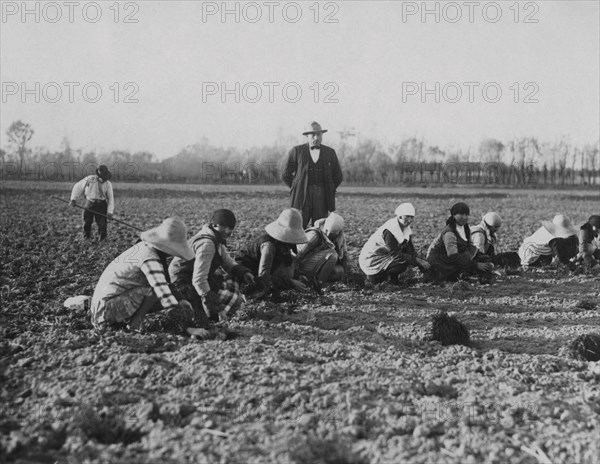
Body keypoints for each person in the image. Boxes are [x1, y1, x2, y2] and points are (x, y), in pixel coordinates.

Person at [90, 218, 194, 331]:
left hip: (105, 304)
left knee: (156, 294)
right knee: (153, 291)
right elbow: (163, 292)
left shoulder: (145, 247)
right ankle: (135, 323)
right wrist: (186, 328)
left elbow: (166, 282)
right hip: (106, 310)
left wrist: (180, 300)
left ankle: (129, 320)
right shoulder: (150, 258)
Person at [169, 209, 255, 326]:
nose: (228, 231)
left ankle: (212, 312)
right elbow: (199, 280)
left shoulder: (216, 239)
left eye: (230, 228)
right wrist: (216, 308)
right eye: (224, 227)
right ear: (214, 225)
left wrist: (243, 273)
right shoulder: (207, 244)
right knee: (202, 319)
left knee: (232, 282)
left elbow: (227, 261)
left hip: (193, 279)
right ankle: (212, 316)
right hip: (181, 284)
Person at [282, 121, 343, 228]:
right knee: (298, 229)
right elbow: (285, 174)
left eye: (319, 134)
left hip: (322, 198)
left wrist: (329, 188)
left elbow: (338, 176)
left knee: (320, 230)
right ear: (306, 136)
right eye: (313, 135)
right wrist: (297, 187)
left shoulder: (330, 152)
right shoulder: (297, 151)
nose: (316, 138)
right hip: (302, 197)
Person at [235, 208, 308, 297]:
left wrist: (299, 276)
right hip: (246, 273)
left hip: (263, 270)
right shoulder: (269, 246)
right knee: (260, 290)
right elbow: (263, 277)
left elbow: (289, 262)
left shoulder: (284, 244)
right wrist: (291, 283)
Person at [359, 203, 431, 284]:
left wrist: (420, 261)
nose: (410, 220)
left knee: (406, 258)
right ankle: (380, 278)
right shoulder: (390, 230)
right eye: (407, 217)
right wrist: (417, 261)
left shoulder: (405, 229)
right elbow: (396, 255)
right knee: (401, 263)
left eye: (412, 217)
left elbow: (409, 248)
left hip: (385, 255)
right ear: (400, 216)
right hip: (373, 259)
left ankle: (393, 280)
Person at [426, 202, 493, 282]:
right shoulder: (449, 233)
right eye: (461, 214)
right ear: (454, 215)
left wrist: (481, 256)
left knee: (483, 259)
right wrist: (475, 265)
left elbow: (470, 247)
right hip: (441, 261)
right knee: (464, 262)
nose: (464, 217)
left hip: (456, 256)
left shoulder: (465, 227)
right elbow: (453, 255)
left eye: (466, 215)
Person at [296, 212, 348, 284]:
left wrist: (347, 273)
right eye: (327, 231)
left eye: (332, 234)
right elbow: (297, 254)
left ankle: (316, 280)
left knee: (339, 271)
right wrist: (296, 275)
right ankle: (319, 284)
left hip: (319, 264)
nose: (328, 234)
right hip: (304, 265)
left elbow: (344, 256)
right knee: (332, 254)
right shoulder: (314, 235)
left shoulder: (340, 238)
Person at [69, 165, 114, 240]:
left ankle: (102, 240)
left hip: (101, 205)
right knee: (87, 222)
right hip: (90, 202)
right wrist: (73, 199)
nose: (103, 180)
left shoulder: (108, 184)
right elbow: (77, 187)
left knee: (102, 224)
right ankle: (86, 238)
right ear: (98, 176)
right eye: (102, 178)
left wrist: (110, 212)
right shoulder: (90, 179)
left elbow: (111, 198)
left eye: (105, 178)